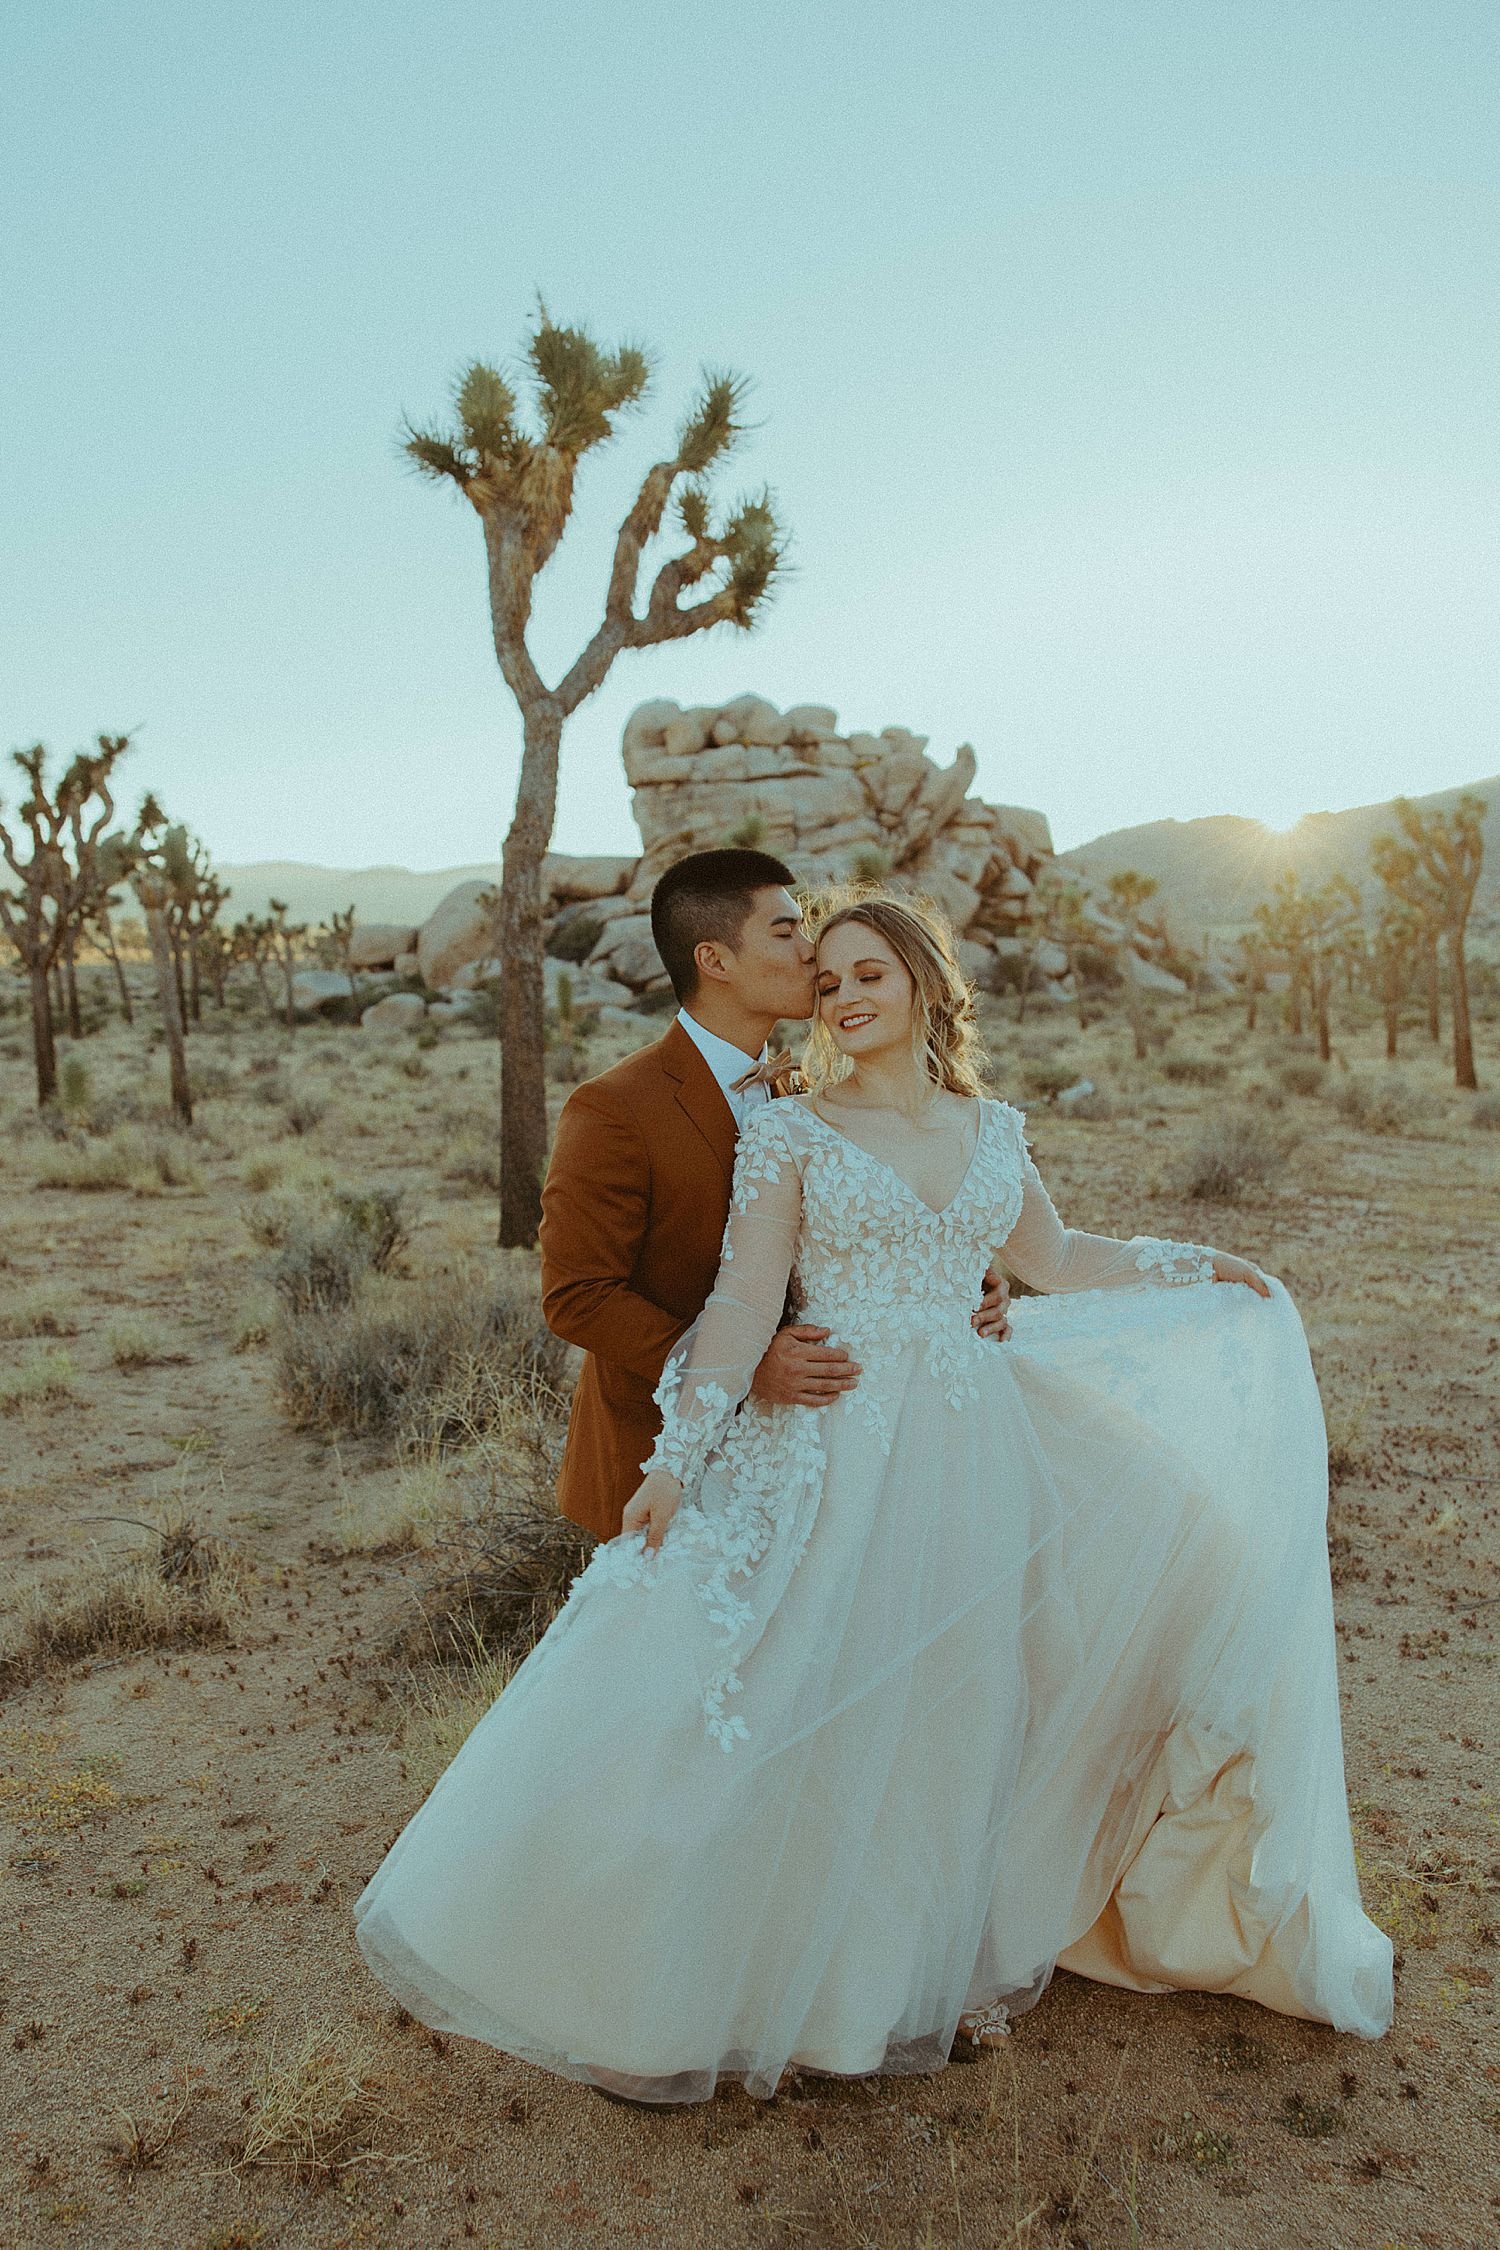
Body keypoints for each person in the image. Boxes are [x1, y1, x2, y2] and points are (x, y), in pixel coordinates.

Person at [355, 888, 1393, 2107]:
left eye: (868, 977)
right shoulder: (792, 1132)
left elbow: (1056, 1262)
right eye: (829, 980)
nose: (844, 999)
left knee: (963, 1709)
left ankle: (914, 1982)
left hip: (973, 1443)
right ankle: (762, 1984)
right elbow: (745, 1304)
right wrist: (676, 1461)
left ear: (922, 985)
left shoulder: (992, 1126)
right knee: (814, 1692)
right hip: (836, 1445)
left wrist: (1200, 1265)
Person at [536, 849, 1011, 1541]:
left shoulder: (798, 1096)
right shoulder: (613, 1108)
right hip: (660, 1443)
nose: (810, 949)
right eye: (786, 932)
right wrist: (744, 1366)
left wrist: (962, 1272)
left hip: (811, 1441)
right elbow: (576, 1295)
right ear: (716, 960)